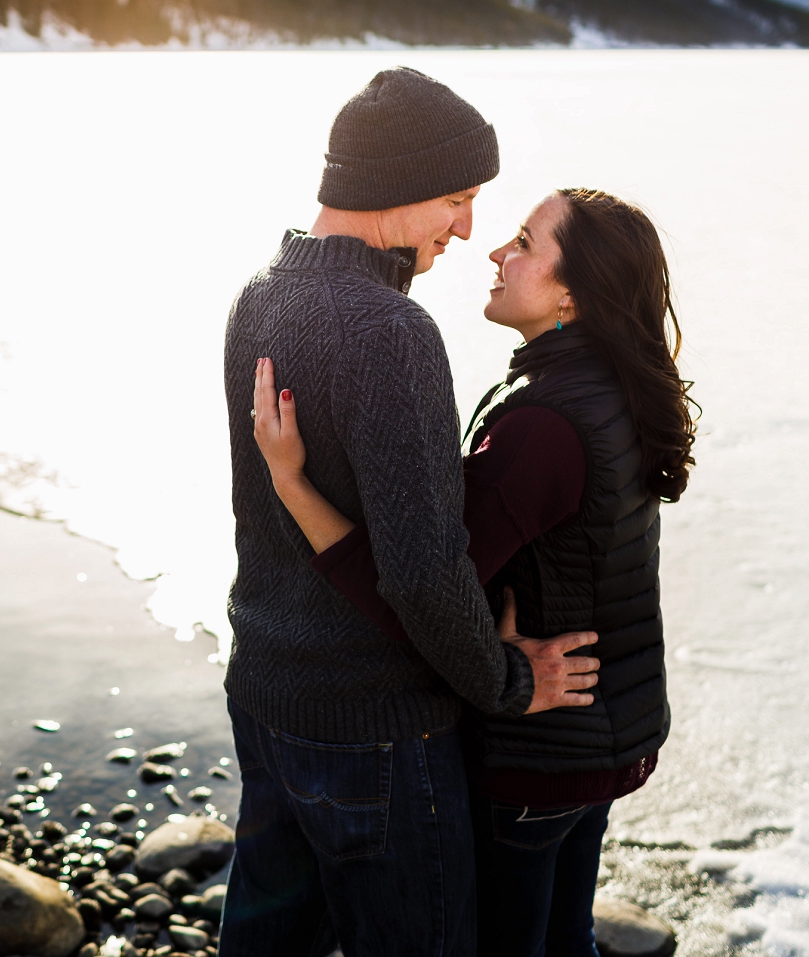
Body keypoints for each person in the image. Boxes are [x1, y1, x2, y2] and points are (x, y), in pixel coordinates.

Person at [252, 187, 696, 957]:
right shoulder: (606, 391)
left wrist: (293, 484)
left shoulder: (544, 427)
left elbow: (415, 590)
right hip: (604, 736)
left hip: (541, 753)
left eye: (524, 242)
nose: (494, 250)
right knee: (564, 939)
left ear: (571, 294)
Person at [219, 69, 601, 957]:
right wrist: (511, 683)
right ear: (392, 184)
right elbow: (425, 571)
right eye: (458, 198)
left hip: (266, 691)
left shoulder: (257, 293)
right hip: (377, 728)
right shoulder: (390, 331)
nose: (467, 228)